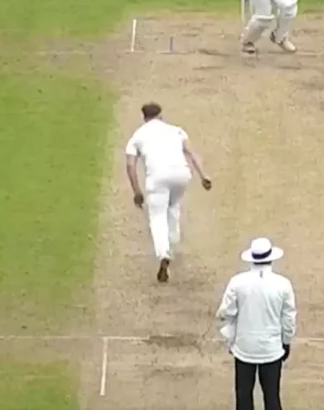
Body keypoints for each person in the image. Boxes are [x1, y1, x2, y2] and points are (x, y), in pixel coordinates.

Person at [124, 102, 212, 283]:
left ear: (144, 117)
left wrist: (136, 191)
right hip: (181, 175)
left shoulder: (137, 136)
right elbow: (191, 153)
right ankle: (171, 245)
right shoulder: (176, 131)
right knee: (173, 207)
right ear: (160, 115)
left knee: (157, 217)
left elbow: (130, 165)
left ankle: (163, 253)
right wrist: (203, 175)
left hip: (157, 178)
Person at [217, 238, 297, 410]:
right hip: (271, 349)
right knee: (272, 396)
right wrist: (286, 341)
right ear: (271, 258)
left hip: (244, 348)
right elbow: (288, 318)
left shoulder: (237, 282)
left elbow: (226, 312)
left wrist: (231, 336)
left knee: (243, 396)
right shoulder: (283, 284)